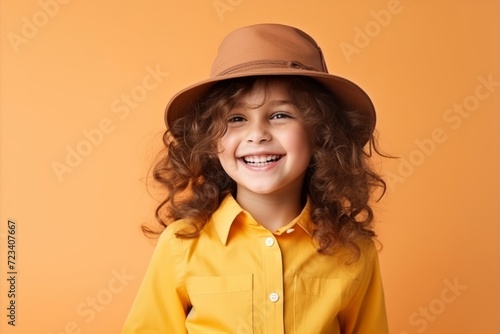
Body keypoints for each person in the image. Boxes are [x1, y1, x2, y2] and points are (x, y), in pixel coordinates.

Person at [122, 23, 389, 333]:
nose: (257, 135)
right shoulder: (183, 244)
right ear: (211, 140)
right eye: (236, 119)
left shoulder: (353, 250)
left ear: (321, 132)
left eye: (280, 115)